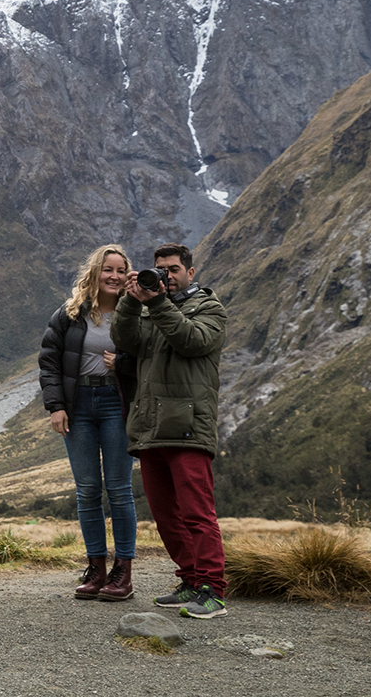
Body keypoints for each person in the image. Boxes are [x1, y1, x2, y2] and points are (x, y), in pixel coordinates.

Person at [114, 242, 229, 619]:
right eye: (160, 269)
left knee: (197, 513)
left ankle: (213, 591)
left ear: (190, 273)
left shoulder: (210, 309)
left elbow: (192, 341)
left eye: (174, 269)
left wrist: (157, 302)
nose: (166, 275)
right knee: (165, 515)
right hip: (150, 426)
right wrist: (132, 300)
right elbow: (124, 340)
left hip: (189, 427)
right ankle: (191, 581)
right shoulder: (148, 309)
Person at [39, 244, 138, 601]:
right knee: (87, 490)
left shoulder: (136, 313)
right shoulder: (69, 314)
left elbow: (151, 360)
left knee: (119, 489)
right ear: (95, 273)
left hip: (116, 404)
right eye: (106, 269)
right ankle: (96, 569)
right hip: (78, 405)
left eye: (119, 270)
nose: (113, 276)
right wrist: (56, 406)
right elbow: (49, 361)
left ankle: (122, 572)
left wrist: (122, 364)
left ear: (128, 276)